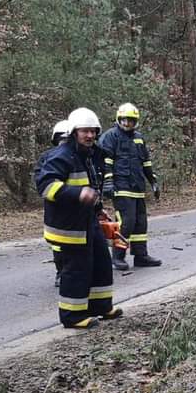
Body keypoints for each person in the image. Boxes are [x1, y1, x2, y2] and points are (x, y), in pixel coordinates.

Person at [35, 107, 123, 328]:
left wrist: (99, 209)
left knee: (102, 263)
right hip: (69, 227)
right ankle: (72, 317)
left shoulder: (91, 156)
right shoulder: (61, 156)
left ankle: (101, 307)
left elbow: (92, 186)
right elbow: (46, 186)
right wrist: (77, 193)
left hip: (88, 221)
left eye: (93, 131)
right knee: (77, 270)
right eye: (85, 131)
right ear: (74, 132)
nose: (90, 135)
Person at [99, 102, 162, 270]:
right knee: (126, 222)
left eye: (131, 121)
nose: (127, 124)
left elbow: (146, 162)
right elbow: (105, 162)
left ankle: (141, 256)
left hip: (137, 187)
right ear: (119, 119)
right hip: (120, 187)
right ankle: (118, 256)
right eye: (125, 120)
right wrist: (108, 182)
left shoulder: (139, 138)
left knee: (140, 223)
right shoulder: (111, 136)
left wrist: (153, 181)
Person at [36, 119, 71, 287]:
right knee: (58, 245)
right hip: (56, 209)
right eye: (61, 139)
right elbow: (41, 183)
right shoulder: (47, 157)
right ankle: (60, 272)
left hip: (77, 210)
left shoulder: (81, 156)